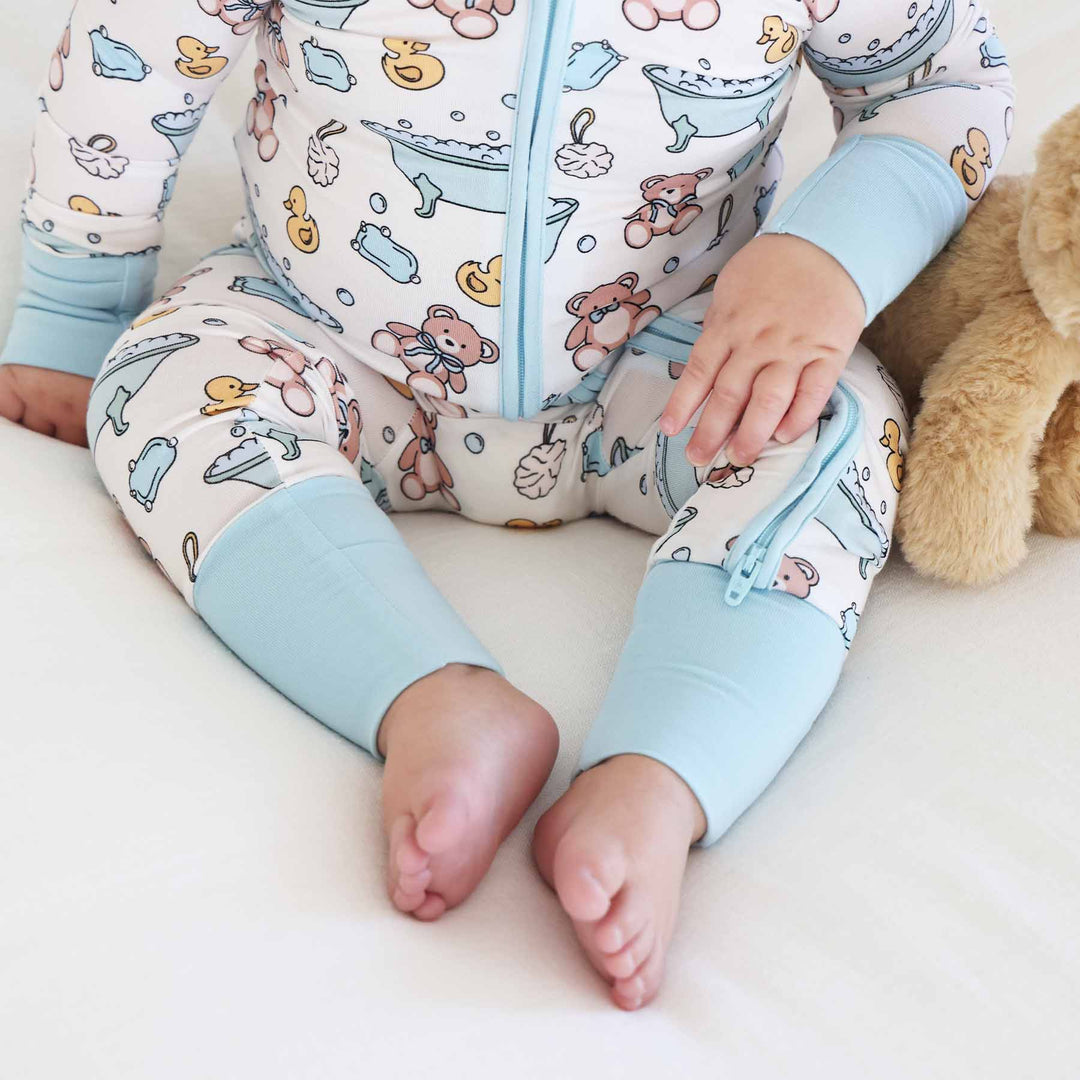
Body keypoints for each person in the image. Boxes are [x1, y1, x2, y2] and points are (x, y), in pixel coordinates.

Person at [0, 0, 1013, 1010]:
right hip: (332, 340)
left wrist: (831, 256)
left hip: (683, 365)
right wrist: (77, 303)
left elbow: (938, 82)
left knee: (836, 431)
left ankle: (662, 773)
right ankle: (431, 697)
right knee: (163, 386)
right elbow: (132, 48)